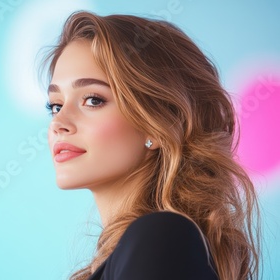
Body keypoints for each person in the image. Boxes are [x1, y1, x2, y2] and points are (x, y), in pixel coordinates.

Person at [41, 11, 260, 280]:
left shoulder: (160, 237)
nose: (59, 123)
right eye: (56, 105)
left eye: (93, 100)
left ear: (157, 125)